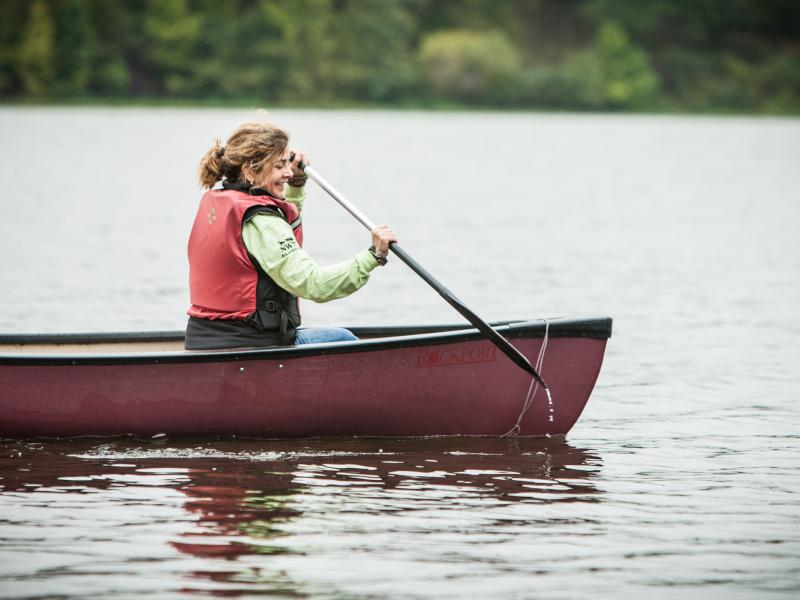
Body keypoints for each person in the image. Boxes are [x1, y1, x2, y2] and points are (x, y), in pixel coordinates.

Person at [185, 119, 397, 350]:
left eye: (288, 163)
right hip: (252, 343)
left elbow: (279, 229)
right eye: (279, 166)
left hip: (203, 339)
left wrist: (296, 185)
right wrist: (373, 256)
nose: (287, 172)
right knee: (343, 338)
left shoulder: (218, 203)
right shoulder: (262, 222)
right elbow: (315, 285)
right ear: (249, 171)